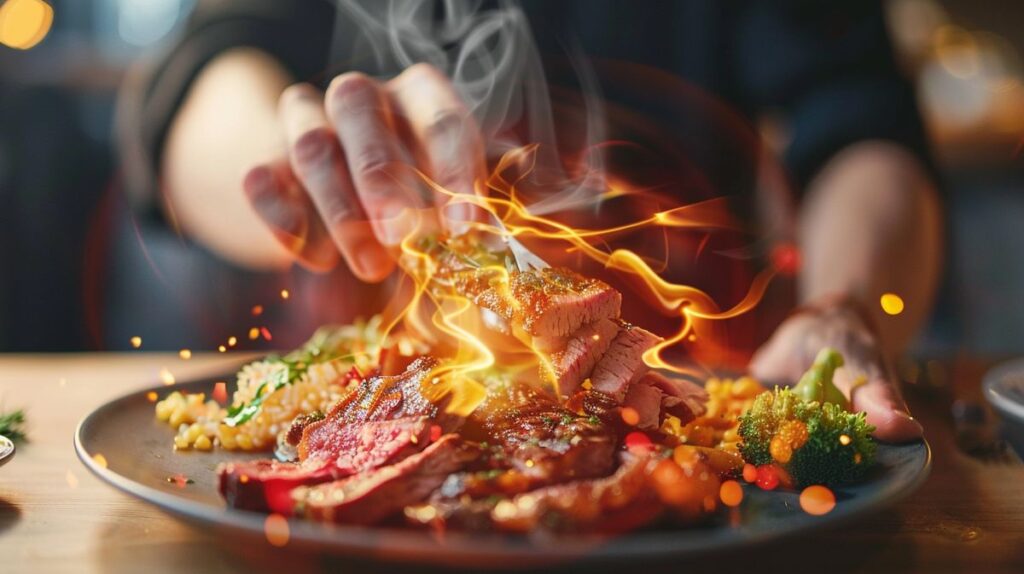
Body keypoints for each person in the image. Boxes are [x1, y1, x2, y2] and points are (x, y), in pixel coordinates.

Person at [118, 0, 941, 442]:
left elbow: (864, 128)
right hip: (363, 399)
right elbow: (192, 86)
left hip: (708, 380)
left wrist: (845, 303)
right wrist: (288, 159)